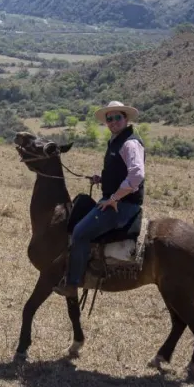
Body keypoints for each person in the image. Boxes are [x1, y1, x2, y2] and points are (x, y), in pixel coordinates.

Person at [53, 101, 146, 296]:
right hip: (117, 200)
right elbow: (121, 172)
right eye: (109, 119)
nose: (113, 121)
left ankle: (72, 283)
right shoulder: (116, 140)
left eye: (117, 117)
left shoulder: (130, 143)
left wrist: (114, 198)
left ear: (126, 119)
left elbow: (137, 175)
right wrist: (103, 179)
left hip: (123, 206)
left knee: (79, 232)